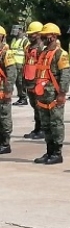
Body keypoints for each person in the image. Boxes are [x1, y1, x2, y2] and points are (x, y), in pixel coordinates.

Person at [32, 23, 70, 165]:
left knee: (56, 124)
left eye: (45, 35)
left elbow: (66, 75)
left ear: (53, 36)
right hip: (43, 96)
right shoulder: (43, 53)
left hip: (55, 96)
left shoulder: (61, 54)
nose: (43, 37)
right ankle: (49, 151)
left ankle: (57, 153)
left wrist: (62, 94)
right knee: (46, 125)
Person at [22, 22, 44, 139]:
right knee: (35, 106)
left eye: (33, 34)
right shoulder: (29, 47)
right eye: (29, 34)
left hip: (37, 82)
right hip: (29, 81)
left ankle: (42, 129)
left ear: (39, 34)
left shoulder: (42, 48)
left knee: (40, 106)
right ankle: (37, 128)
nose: (30, 36)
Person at [0, 25, 17, 154]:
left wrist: (8, 90)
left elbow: (11, 74)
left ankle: (5, 144)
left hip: (2, 91)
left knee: (4, 116)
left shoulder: (7, 53)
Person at [10, 25, 30, 106]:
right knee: (16, 82)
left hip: (21, 65)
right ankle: (21, 97)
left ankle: (24, 98)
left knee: (21, 82)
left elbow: (28, 54)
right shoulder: (14, 39)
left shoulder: (25, 41)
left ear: (20, 30)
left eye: (16, 30)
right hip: (13, 64)